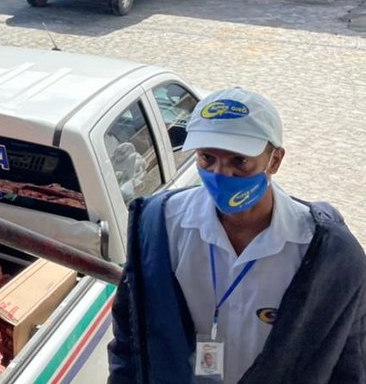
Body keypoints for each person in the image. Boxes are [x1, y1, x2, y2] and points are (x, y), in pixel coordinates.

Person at [108, 87, 365, 384]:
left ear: (275, 160)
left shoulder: (327, 255)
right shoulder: (159, 226)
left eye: (239, 161)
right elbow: (130, 333)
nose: (221, 174)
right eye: (207, 158)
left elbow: (350, 357)